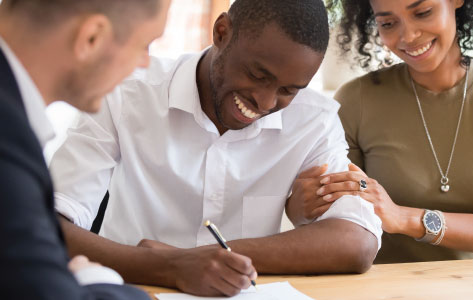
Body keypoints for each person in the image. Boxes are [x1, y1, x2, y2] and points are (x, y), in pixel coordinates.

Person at [49, 0, 382, 297]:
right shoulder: (126, 94)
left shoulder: (313, 121)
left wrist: (204, 259)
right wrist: (167, 267)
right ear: (222, 32)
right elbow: (50, 224)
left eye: (288, 90)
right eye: (257, 74)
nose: (265, 102)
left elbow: (356, 242)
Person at [287, 0, 473, 263]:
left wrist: (403, 218)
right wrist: (300, 210)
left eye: (422, 13)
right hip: (382, 288)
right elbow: (337, 221)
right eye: (388, 23)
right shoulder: (356, 101)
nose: (407, 36)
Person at [0, 0, 171, 299]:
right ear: (91, 38)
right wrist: (94, 278)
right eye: (145, 44)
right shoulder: (8, 145)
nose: (145, 62)